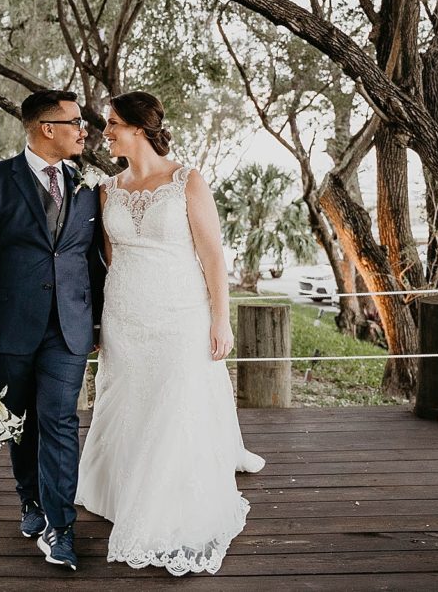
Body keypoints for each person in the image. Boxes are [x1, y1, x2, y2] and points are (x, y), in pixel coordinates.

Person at [75, 90, 264, 577]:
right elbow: (109, 257)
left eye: (113, 123)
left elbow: (213, 254)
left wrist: (220, 318)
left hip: (181, 313)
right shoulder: (107, 188)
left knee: (175, 402)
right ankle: (125, 489)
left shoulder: (187, 180)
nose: (105, 132)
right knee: (129, 398)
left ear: (139, 129)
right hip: (125, 315)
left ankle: (167, 500)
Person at [0, 90, 106, 572]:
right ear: (46, 128)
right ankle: (31, 501)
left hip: (69, 326)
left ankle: (60, 527)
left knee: (60, 420)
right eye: (75, 122)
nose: (83, 130)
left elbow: (92, 260)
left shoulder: (88, 186)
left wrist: (98, 319)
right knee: (20, 421)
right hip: (9, 326)